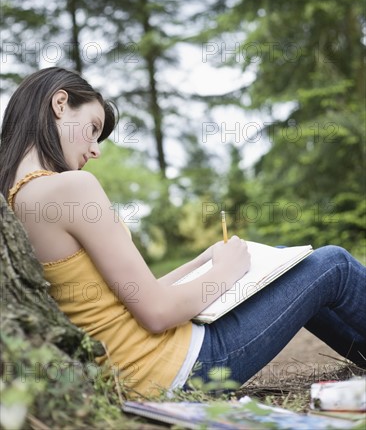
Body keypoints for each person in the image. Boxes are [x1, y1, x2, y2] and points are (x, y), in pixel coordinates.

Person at [1, 67, 365, 398]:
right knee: (333, 266)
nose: (95, 150)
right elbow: (157, 312)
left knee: (288, 262)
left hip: (138, 373)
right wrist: (226, 271)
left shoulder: (19, 201)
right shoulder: (71, 188)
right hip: (182, 368)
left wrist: (203, 261)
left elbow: (136, 296)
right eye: (93, 128)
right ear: (60, 103)